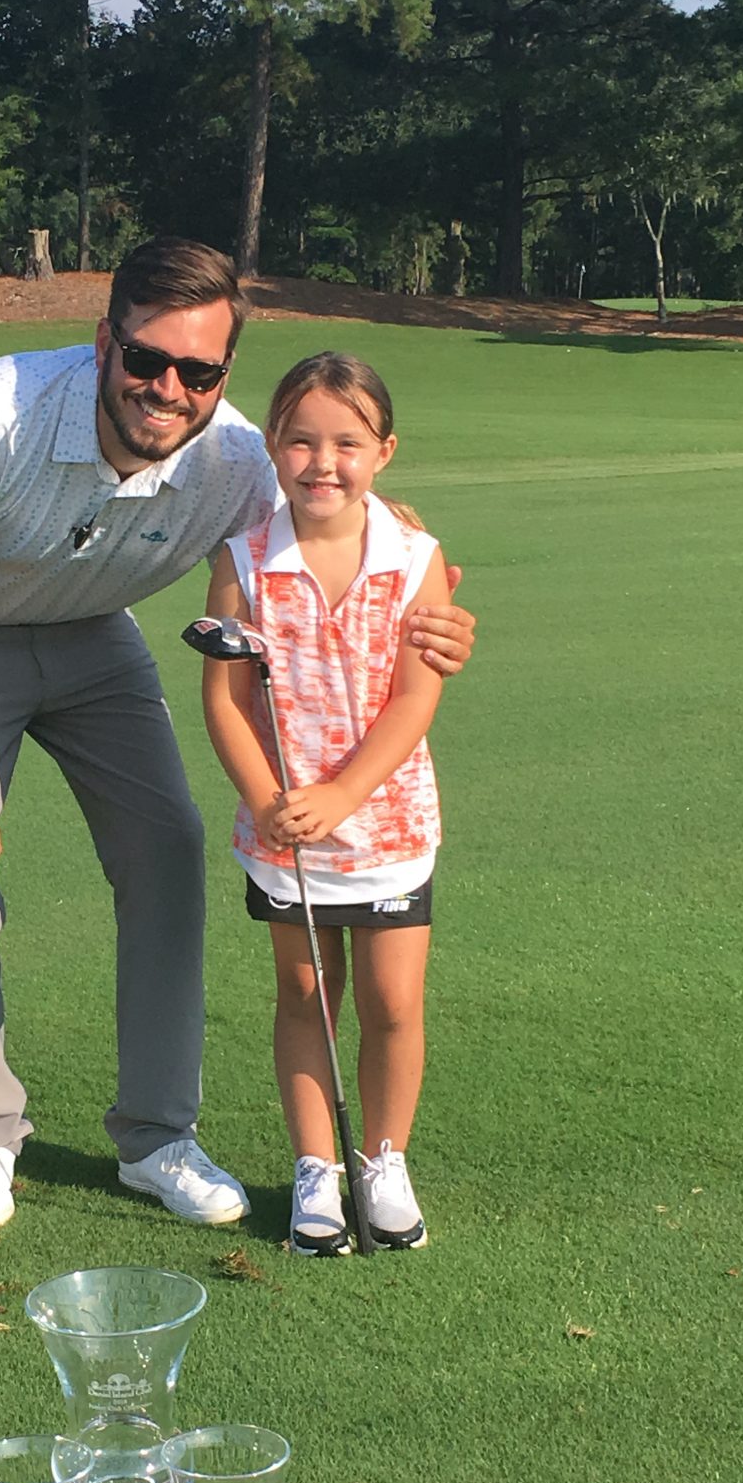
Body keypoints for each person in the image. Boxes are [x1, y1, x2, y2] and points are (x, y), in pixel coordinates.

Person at [0, 240, 476, 1232]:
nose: (167, 388)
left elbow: (347, 520)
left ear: (223, 377)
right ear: (105, 340)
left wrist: (443, 603)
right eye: (146, 358)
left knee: (169, 852)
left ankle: (157, 1138)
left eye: (197, 372)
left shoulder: (235, 457)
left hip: (92, 638)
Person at [200, 351, 450, 1256]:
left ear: (384, 450)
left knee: (391, 1000)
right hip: (286, 834)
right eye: (301, 441)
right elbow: (223, 699)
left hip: (387, 827)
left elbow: (417, 698)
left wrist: (344, 791)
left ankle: (384, 1161)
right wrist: (266, 798)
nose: (323, 462)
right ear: (272, 448)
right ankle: (317, 1169)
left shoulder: (416, 559)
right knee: (305, 990)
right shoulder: (243, 562)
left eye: (347, 442)